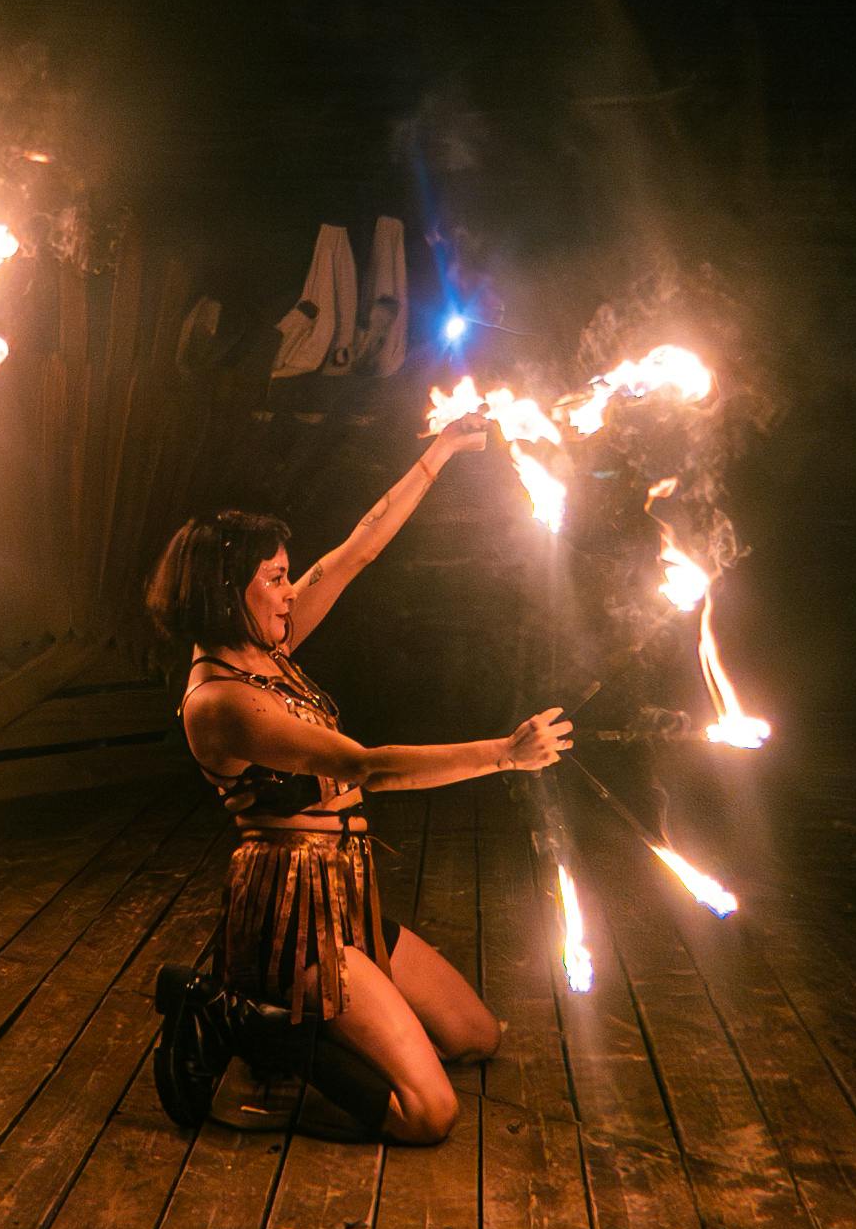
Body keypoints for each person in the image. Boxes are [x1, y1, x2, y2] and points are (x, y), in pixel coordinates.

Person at [142, 425, 571, 1144]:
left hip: (346, 898)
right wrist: (505, 753)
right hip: (293, 925)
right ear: (227, 590)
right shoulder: (223, 701)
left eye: (287, 575)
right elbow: (366, 766)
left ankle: (323, 1029)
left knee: (475, 1036)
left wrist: (438, 452)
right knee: (428, 1114)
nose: (290, 590)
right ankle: (254, 1034)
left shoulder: (266, 648)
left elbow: (360, 549)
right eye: (275, 578)